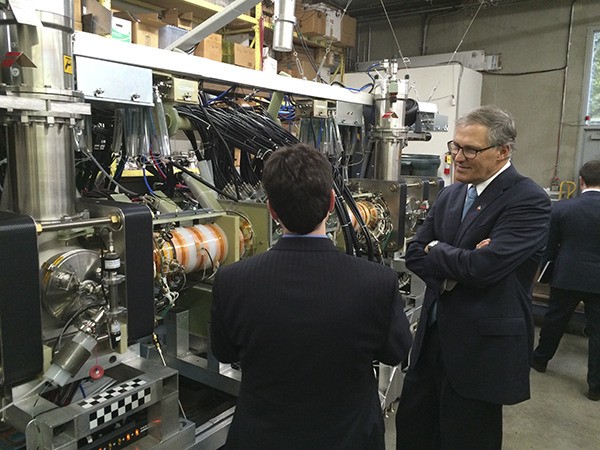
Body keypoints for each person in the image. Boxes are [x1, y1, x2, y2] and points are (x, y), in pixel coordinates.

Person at [210, 143, 413, 449]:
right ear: (333, 203)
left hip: (263, 438)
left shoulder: (232, 280)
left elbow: (225, 353)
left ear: (271, 209)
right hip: (350, 438)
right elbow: (395, 352)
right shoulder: (377, 282)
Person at [395, 105, 551, 449]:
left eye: (470, 149)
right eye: (455, 146)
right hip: (431, 340)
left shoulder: (528, 200)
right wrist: (453, 262)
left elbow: (483, 268)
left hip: (479, 348)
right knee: (415, 432)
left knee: (466, 437)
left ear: (503, 151)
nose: (458, 157)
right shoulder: (451, 194)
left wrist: (442, 252)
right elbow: (416, 253)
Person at [531, 160, 600, 401]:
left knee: (554, 321)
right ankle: (595, 386)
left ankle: (540, 361)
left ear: (581, 181)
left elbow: (549, 247)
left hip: (567, 275)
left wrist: (546, 274)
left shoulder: (562, 209)